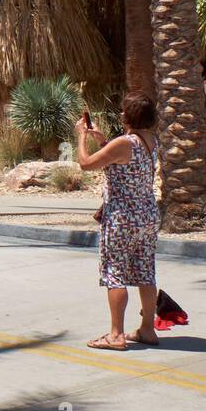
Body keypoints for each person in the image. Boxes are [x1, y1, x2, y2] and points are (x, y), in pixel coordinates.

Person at [76, 94, 161, 351]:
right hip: (147, 215)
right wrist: (102, 140)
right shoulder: (150, 140)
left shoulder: (125, 142)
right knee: (146, 272)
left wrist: (81, 136)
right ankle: (147, 329)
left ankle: (116, 335)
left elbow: (86, 164)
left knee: (115, 275)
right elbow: (122, 162)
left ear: (128, 116)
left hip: (123, 218)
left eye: (124, 111)